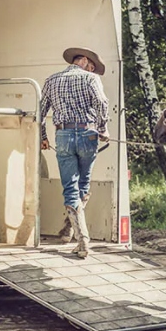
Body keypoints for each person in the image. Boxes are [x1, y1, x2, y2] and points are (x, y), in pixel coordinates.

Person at [40, 47, 109, 257]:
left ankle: (75, 233)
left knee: (71, 188)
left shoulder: (52, 80)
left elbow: (40, 111)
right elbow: (102, 102)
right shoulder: (90, 79)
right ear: (86, 62)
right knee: (83, 184)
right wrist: (103, 127)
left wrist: (42, 136)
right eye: (93, 67)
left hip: (63, 135)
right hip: (88, 134)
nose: (93, 70)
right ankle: (81, 239)